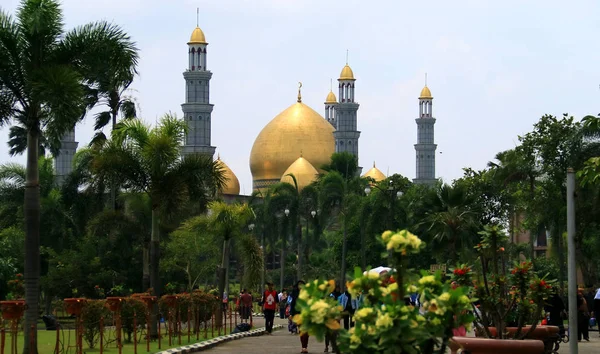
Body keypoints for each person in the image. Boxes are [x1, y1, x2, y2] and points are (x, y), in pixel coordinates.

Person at [290, 280, 308, 353]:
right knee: (301, 330)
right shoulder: (295, 294)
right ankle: (303, 347)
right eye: (299, 285)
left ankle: (305, 346)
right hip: (298, 314)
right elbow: (292, 304)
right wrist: (291, 314)